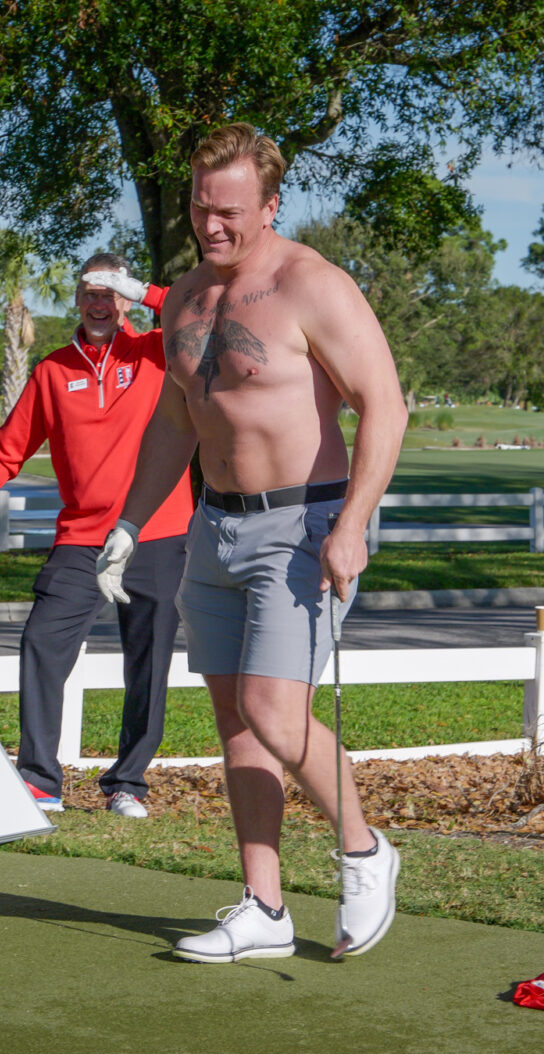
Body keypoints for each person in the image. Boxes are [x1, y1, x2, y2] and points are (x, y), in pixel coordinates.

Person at [97, 123, 409, 961]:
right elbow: (177, 421)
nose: (212, 226)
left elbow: (386, 406)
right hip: (215, 527)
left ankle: (364, 852)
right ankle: (264, 908)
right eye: (201, 209)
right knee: (238, 722)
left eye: (230, 212)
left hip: (303, 525)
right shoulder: (186, 297)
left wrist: (352, 525)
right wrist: (129, 521)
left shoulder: (313, 285)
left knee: (275, 712)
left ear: (270, 206)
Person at [0, 254, 192, 817]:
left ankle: (128, 783)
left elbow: (202, 311)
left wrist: (144, 290)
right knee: (42, 641)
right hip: (83, 538)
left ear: (124, 299)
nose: (99, 304)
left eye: (110, 293)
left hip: (158, 532)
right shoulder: (52, 371)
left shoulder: (156, 353)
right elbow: (9, 449)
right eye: (89, 292)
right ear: (77, 298)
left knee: (148, 662)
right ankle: (40, 779)